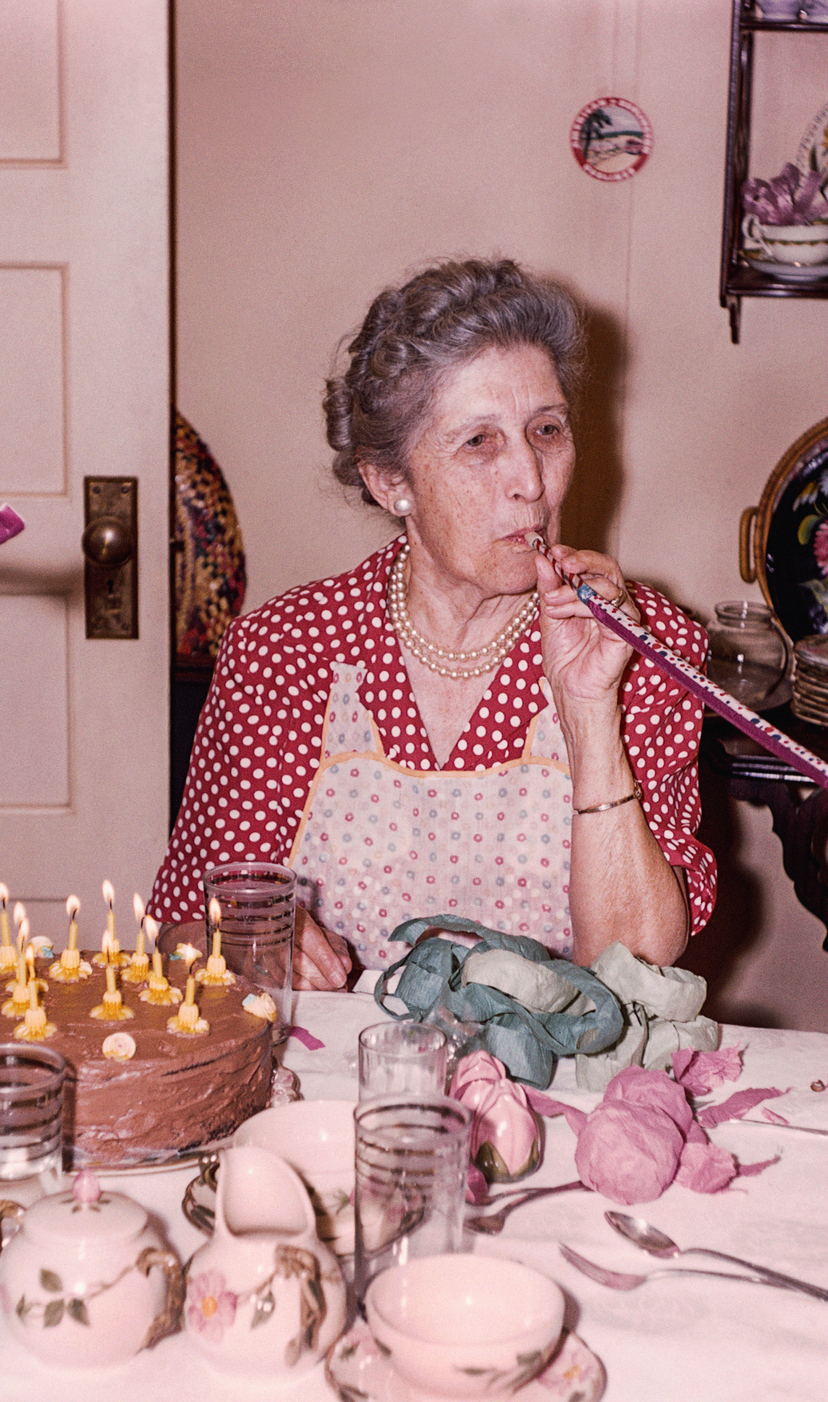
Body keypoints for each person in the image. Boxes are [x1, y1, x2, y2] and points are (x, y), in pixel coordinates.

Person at [149, 258, 714, 987]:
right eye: (478, 442)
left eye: (546, 429)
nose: (532, 481)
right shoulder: (286, 649)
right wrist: (243, 941)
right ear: (390, 483)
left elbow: (635, 960)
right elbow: (182, 928)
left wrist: (589, 710)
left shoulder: (641, 644)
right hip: (334, 1088)